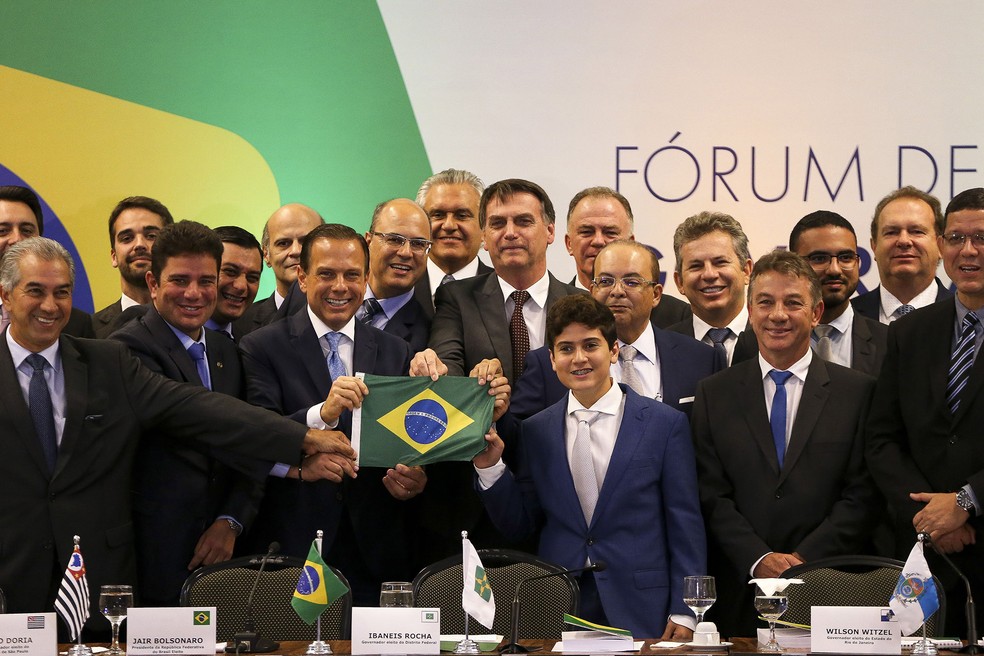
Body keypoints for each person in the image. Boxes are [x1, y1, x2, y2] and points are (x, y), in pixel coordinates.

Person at [0, 237, 355, 634]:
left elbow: (198, 409)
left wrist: (300, 437)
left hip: (96, 581)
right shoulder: (128, 343)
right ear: (5, 295)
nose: (50, 306)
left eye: (62, 292)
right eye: (36, 291)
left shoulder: (106, 363)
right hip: (10, 575)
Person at [240, 223, 506, 605]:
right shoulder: (261, 346)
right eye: (326, 274)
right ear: (301, 276)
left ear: (365, 279)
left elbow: (411, 438)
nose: (340, 287)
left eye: (352, 275)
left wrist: (415, 476)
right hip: (292, 547)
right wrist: (323, 413)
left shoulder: (396, 350)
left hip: (378, 551)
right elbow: (257, 433)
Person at [474, 294, 705, 638]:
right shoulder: (536, 430)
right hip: (558, 601)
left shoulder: (664, 424)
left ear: (613, 351)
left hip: (644, 605)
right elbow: (519, 525)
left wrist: (687, 610)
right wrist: (491, 468)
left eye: (590, 345)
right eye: (566, 348)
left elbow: (684, 522)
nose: (579, 358)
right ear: (551, 359)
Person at [692, 250, 878, 637]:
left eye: (793, 303)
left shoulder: (857, 392)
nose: (778, 314)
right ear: (750, 309)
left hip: (831, 588)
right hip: (739, 594)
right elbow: (710, 492)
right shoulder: (714, 393)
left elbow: (861, 492)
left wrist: (804, 561)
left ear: (815, 312)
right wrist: (758, 558)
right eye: (765, 302)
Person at [109, 221, 269, 605]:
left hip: (227, 555)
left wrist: (230, 521)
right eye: (180, 280)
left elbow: (247, 452)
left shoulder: (229, 350)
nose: (194, 294)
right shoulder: (125, 349)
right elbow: (212, 423)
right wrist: (304, 436)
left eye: (206, 281)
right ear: (152, 283)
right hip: (151, 556)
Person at [866, 187, 984, 636]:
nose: (967, 250)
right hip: (922, 557)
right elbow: (882, 439)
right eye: (955, 237)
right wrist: (932, 518)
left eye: (982, 238)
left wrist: (965, 503)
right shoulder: (910, 332)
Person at [509, 240, 721, 425]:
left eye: (631, 282)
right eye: (606, 281)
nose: (617, 291)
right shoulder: (548, 364)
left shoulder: (701, 359)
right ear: (592, 292)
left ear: (656, 295)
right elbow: (522, 441)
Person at [429, 178, 581, 384]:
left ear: (550, 232)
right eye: (498, 223)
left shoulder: (581, 303)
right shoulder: (456, 298)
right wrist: (475, 387)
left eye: (523, 221)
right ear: (484, 236)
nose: (510, 233)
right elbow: (446, 370)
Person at [564, 186, 691, 328]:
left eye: (610, 232)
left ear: (630, 242)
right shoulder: (551, 309)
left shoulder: (676, 314)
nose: (598, 241)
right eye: (587, 232)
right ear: (569, 243)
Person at [789, 211, 887, 375]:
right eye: (819, 258)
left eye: (845, 257)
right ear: (793, 264)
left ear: (857, 262)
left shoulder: (887, 342)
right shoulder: (758, 342)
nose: (834, 269)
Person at [0, 185, 94, 338]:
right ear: (4, 295)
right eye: (3, 231)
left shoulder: (76, 324)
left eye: (27, 231)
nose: (16, 239)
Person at [667, 211, 757, 365]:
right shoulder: (662, 348)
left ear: (746, 271)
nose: (709, 275)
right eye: (696, 266)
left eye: (720, 262)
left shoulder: (773, 336)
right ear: (679, 282)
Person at [852, 186, 952, 323]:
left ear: (941, 246)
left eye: (916, 231)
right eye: (891, 232)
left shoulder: (965, 316)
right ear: (874, 246)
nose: (904, 241)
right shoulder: (849, 316)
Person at [413, 168, 492, 317]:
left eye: (462, 215)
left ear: (484, 227)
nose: (449, 225)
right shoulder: (399, 285)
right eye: (438, 215)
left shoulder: (505, 290)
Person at [91, 196, 174, 337]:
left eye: (152, 236)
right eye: (127, 238)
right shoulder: (89, 331)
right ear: (113, 256)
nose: (140, 244)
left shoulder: (193, 322)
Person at [238, 203, 324, 337]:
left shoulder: (353, 315)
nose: (296, 251)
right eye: (283, 243)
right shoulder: (240, 323)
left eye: (306, 241)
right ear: (266, 254)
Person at [359, 199, 432, 352]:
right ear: (368, 242)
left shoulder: (430, 337)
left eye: (418, 243)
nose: (405, 253)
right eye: (394, 239)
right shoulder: (316, 296)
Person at [205, 225, 263, 341]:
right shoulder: (167, 336)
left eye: (252, 277)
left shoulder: (253, 342)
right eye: (230, 272)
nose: (241, 286)